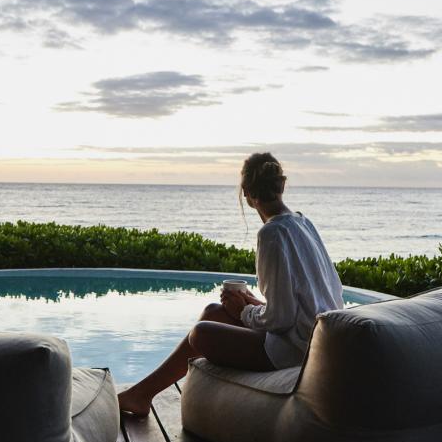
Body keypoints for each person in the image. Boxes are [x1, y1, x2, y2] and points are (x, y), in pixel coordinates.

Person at [117, 152, 344, 417]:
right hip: (312, 339)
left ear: (247, 194)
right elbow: (314, 298)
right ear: (281, 186)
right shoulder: (304, 223)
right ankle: (142, 395)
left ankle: (142, 395)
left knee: (201, 333)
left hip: (294, 351)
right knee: (214, 312)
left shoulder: (271, 233)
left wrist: (243, 312)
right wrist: (253, 303)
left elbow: (282, 318)